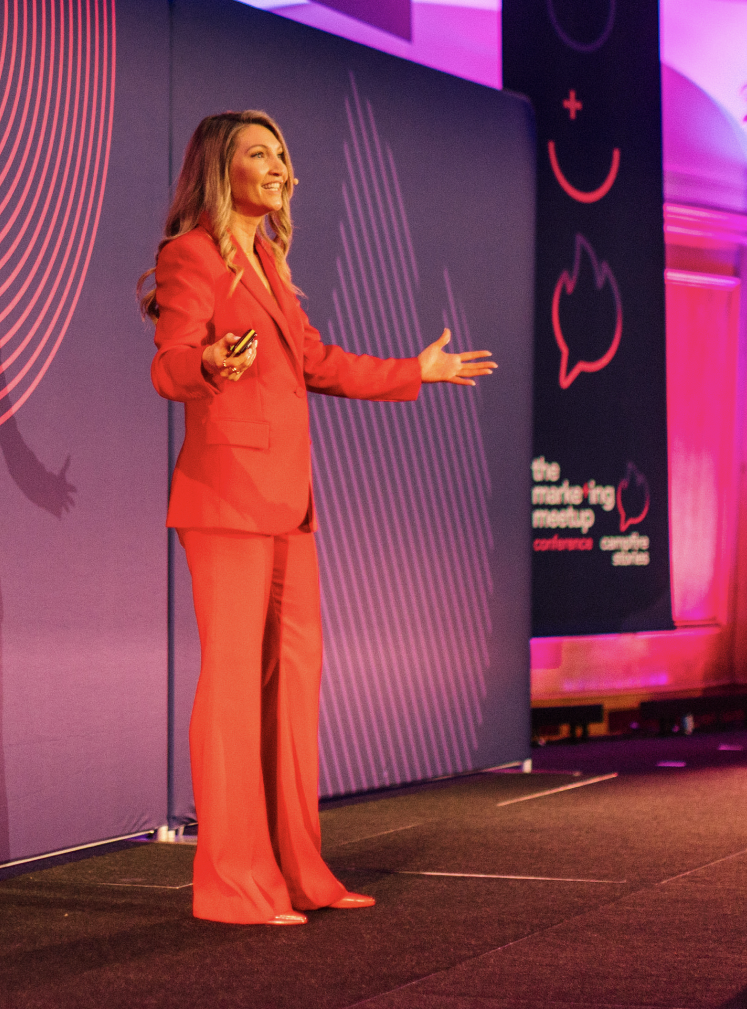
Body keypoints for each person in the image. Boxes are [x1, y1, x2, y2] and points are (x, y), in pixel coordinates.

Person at [139, 110, 496, 926]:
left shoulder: (270, 262)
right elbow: (168, 365)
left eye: (282, 155)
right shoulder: (190, 254)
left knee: (293, 691)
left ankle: (298, 872)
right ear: (220, 169)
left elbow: (318, 362)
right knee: (234, 689)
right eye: (258, 154)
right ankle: (233, 885)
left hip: (290, 503)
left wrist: (416, 371)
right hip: (227, 498)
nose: (278, 167)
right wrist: (208, 362)